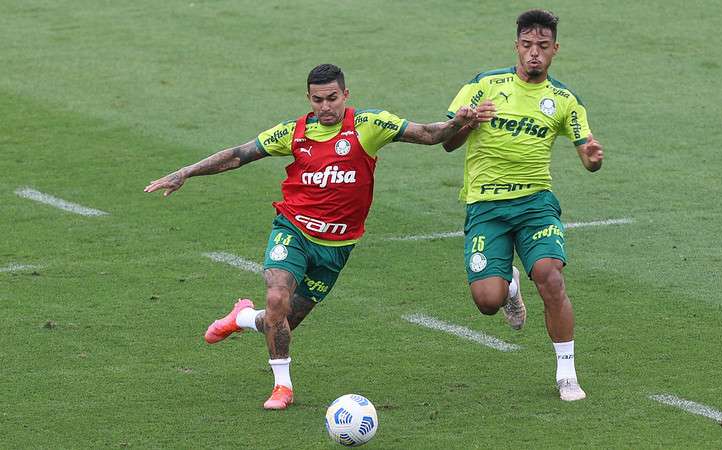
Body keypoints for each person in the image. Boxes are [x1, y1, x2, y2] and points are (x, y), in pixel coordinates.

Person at [145, 64, 482, 410]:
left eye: (332, 98)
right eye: (318, 100)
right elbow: (238, 155)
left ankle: (242, 317)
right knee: (277, 299)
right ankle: (282, 388)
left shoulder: (368, 125)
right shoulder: (294, 133)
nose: (326, 107)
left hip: (336, 248)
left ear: (346, 96)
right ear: (308, 98)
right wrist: (186, 172)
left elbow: (428, 133)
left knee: (281, 323)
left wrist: (458, 122)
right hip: (293, 230)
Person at [442, 9, 604, 401]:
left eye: (543, 47)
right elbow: (447, 141)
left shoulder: (564, 100)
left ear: (555, 50)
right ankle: (510, 285)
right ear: (516, 46)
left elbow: (587, 152)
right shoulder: (484, 85)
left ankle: (566, 373)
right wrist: (466, 122)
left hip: (535, 205)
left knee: (550, 277)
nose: (535, 53)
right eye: (528, 45)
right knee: (487, 302)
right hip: (486, 206)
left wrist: (592, 158)